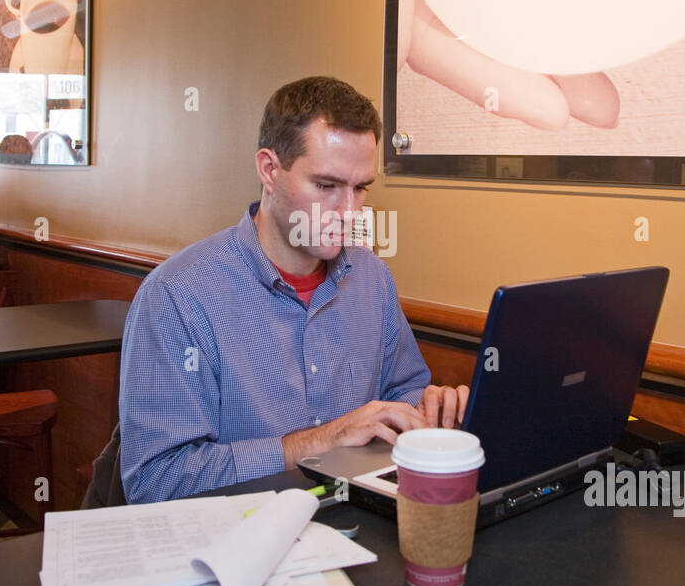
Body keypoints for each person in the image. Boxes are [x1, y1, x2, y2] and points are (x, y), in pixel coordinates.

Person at [119, 76, 469, 503]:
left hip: (352, 520)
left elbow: (401, 392)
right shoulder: (178, 296)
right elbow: (156, 481)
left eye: (360, 188)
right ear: (270, 170)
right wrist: (318, 442)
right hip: (235, 542)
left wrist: (428, 408)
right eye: (326, 186)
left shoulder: (372, 277)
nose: (350, 212)